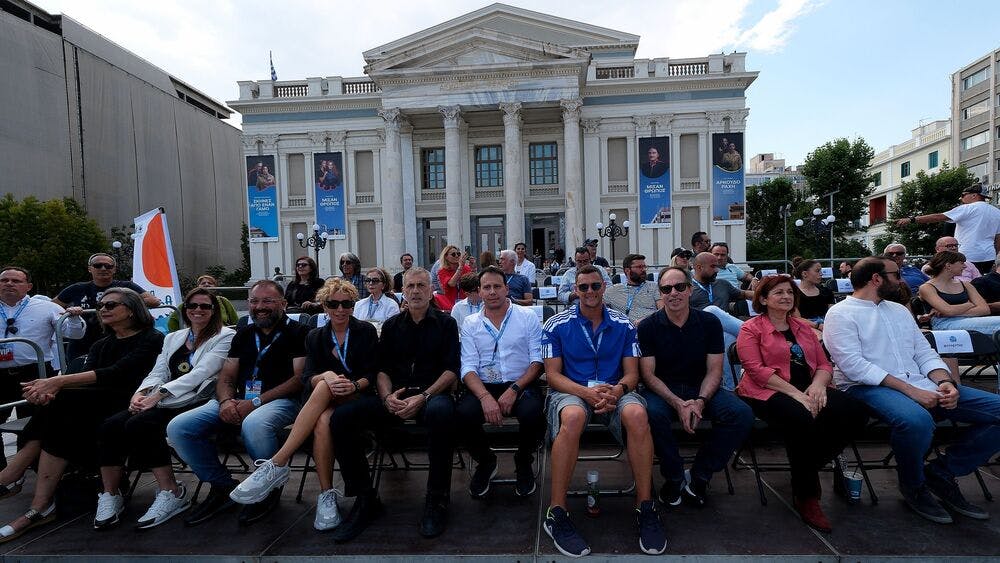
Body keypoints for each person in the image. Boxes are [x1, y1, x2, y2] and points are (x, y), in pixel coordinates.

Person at [825, 256, 1000, 524]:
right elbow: (854, 367)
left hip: (921, 383)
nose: (901, 279)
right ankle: (914, 485)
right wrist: (912, 391)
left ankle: (942, 472)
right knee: (915, 421)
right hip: (867, 387)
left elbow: (923, 352)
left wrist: (945, 381)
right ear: (876, 279)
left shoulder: (898, 311)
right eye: (895, 274)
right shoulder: (840, 313)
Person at [0, 288, 163, 542]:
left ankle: (15, 478)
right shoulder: (101, 344)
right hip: (93, 405)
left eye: (111, 305)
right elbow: (89, 382)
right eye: (101, 305)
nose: (103, 309)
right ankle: (38, 504)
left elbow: (118, 373)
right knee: (57, 413)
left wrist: (57, 383)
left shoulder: (152, 339)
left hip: (131, 402)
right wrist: (49, 390)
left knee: (61, 403)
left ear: (131, 310)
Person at [228, 279, 378, 531]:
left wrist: (352, 385)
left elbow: (372, 372)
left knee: (323, 386)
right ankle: (326, 494)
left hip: (358, 395)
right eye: (333, 303)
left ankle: (276, 463)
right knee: (321, 417)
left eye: (346, 303)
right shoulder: (315, 336)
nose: (340, 309)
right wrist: (327, 377)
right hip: (326, 401)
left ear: (353, 305)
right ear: (324, 306)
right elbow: (308, 377)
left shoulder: (365, 331)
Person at [540, 265, 665, 557]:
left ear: (604, 286)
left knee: (637, 414)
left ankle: (645, 506)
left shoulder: (624, 324)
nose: (590, 292)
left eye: (595, 286)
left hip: (615, 390)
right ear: (575, 290)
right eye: (583, 287)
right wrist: (586, 392)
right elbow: (552, 375)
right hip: (572, 391)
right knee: (573, 416)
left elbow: (632, 374)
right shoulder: (556, 324)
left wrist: (617, 391)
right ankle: (556, 512)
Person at [329, 267, 459, 542]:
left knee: (443, 413)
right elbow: (382, 369)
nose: (415, 291)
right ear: (403, 290)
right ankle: (365, 498)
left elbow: (451, 370)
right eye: (410, 286)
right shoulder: (391, 326)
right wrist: (387, 396)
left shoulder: (446, 324)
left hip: (430, 395)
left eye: (421, 286)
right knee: (342, 417)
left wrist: (424, 396)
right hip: (394, 397)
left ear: (430, 289)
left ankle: (437, 498)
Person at [166, 280, 308, 527]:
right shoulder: (243, 334)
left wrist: (254, 402)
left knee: (254, 424)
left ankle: (266, 487)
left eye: (267, 301)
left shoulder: (299, 333)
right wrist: (225, 402)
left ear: (283, 304)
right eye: (254, 301)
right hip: (238, 399)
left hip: (282, 401)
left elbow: (299, 379)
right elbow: (227, 376)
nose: (259, 307)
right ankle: (222, 485)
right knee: (179, 427)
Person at [94, 288, 235, 529]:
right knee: (110, 426)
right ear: (185, 309)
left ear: (214, 311)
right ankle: (110, 493)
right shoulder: (173, 337)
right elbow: (158, 371)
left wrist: (159, 394)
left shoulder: (225, 336)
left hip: (196, 399)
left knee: (142, 424)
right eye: (192, 306)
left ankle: (171, 491)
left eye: (205, 306)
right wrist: (141, 393)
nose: (198, 310)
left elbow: (203, 372)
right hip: (165, 399)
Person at [736, 275, 868, 532]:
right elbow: (755, 370)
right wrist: (797, 395)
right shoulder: (751, 328)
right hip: (767, 391)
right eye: (778, 293)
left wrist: (818, 385)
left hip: (810, 387)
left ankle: (807, 467)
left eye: (789, 292)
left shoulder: (803, 328)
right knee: (801, 418)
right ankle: (807, 495)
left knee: (856, 411)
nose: (786, 296)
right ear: (763, 299)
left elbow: (823, 364)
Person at [639, 266, 753, 510]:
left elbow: (714, 370)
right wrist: (678, 402)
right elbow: (648, 375)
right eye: (666, 289)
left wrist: (699, 400)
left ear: (690, 290)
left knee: (741, 414)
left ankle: (700, 475)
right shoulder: (648, 327)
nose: (674, 293)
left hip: (702, 386)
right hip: (663, 389)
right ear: (661, 293)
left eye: (680, 287)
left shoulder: (709, 322)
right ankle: (674, 476)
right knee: (651, 414)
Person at [456, 267, 544, 498]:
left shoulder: (527, 317)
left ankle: (523, 460)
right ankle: (486, 461)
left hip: (521, 383)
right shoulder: (471, 323)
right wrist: (485, 397)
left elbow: (537, 362)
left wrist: (514, 389)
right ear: (479, 291)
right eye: (487, 287)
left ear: (506, 289)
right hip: (484, 386)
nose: (492, 291)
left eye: (497, 286)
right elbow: (468, 368)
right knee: (462, 413)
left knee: (533, 412)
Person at [0, 267, 85, 422]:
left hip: (35, 373)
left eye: (16, 281)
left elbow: (75, 334)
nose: (9, 284)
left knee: (35, 424)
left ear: (29, 286)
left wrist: (74, 318)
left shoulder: (47, 307)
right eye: (4, 280)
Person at [53, 253, 159, 361]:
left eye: (108, 266)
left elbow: (154, 301)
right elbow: (52, 306)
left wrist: (126, 302)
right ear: (90, 269)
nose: (103, 269)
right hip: (82, 343)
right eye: (98, 265)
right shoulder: (77, 288)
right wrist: (69, 313)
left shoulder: (126, 287)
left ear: (114, 270)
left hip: (116, 340)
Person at [897, 182, 1000, 275]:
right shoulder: (997, 212)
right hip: (989, 256)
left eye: (963, 195)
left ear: (974, 195)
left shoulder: (968, 208)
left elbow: (939, 217)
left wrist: (912, 219)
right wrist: (996, 255)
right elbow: (998, 239)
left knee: (963, 284)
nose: (961, 198)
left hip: (967, 256)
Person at [689, 252, 745, 390]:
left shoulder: (722, 284)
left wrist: (768, 295)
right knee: (711, 311)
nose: (717, 270)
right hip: (698, 330)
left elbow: (745, 294)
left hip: (721, 332)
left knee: (730, 338)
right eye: (713, 266)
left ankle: (732, 387)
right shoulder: (686, 287)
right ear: (699, 267)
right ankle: (756, 335)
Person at [918, 251, 1000, 334]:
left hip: (969, 320)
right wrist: (970, 304)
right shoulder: (927, 287)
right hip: (944, 324)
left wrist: (952, 311)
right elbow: (948, 311)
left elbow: (985, 309)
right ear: (948, 265)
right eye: (961, 263)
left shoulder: (965, 284)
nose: (964, 266)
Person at [167, 275, 239, 331]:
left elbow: (236, 321)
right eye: (203, 283)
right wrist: (179, 337)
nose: (206, 284)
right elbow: (173, 320)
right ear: (198, 287)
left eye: (210, 283)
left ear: (215, 287)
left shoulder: (223, 301)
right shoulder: (188, 302)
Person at [604, 254, 661, 323]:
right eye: (639, 267)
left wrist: (646, 320)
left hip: (649, 327)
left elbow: (663, 310)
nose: (643, 270)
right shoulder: (613, 290)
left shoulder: (654, 287)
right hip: (625, 330)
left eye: (644, 267)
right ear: (627, 270)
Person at [793, 258, 834, 331]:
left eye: (820, 271)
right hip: (805, 328)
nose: (821, 274)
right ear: (804, 274)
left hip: (827, 325)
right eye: (817, 271)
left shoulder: (826, 291)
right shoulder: (794, 294)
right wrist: (817, 326)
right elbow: (796, 319)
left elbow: (832, 314)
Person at [436, 245, 472, 312]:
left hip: (466, 302)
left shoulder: (466, 268)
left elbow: (472, 283)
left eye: (458, 254)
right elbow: (452, 283)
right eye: (453, 254)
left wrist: (473, 269)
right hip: (450, 304)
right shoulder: (442, 271)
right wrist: (460, 267)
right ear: (446, 257)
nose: (456, 256)